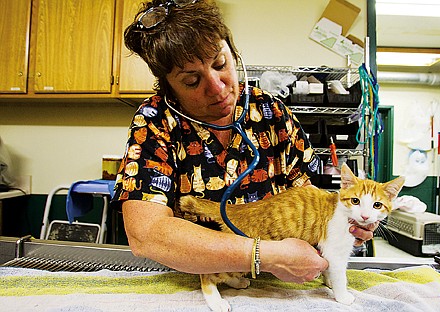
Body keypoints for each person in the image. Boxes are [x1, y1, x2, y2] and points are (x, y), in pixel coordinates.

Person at [112, 0, 376, 284]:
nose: (217, 88)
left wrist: (349, 223)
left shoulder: (271, 113)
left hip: (275, 281)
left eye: (220, 64)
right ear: (169, 88)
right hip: (192, 281)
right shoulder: (156, 120)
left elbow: (312, 205)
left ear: (233, 52)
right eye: (191, 81)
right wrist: (264, 254)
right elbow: (146, 234)